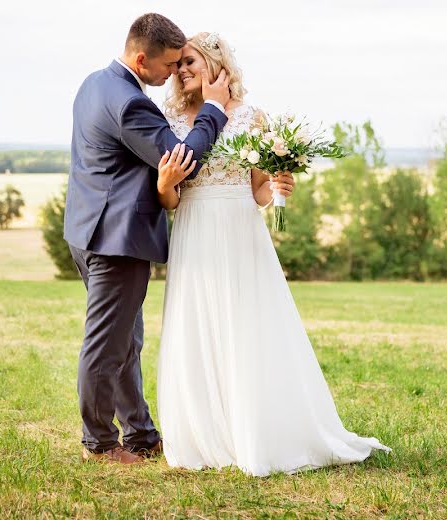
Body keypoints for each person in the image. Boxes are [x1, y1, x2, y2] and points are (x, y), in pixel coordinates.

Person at [155, 31, 390, 476]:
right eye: (178, 65)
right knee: (199, 324)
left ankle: (259, 430)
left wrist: (279, 186)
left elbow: (258, 190)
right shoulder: (168, 120)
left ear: (217, 65)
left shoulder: (251, 117)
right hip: (194, 231)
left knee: (248, 325)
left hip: (242, 230)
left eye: (191, 62)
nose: (181, 70)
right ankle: (205, 435)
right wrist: (165, 187)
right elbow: (170, 200)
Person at [63, 14, 231, 464]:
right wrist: (214, 110)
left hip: (87, 230)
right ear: (142, 59)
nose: (174, 72)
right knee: (107, 345)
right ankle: (99, 444)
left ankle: (140, 434)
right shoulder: (131, 104)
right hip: (117, 240)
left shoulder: (94, 83)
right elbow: (182, 158)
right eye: (169, 64)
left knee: (125, 339)